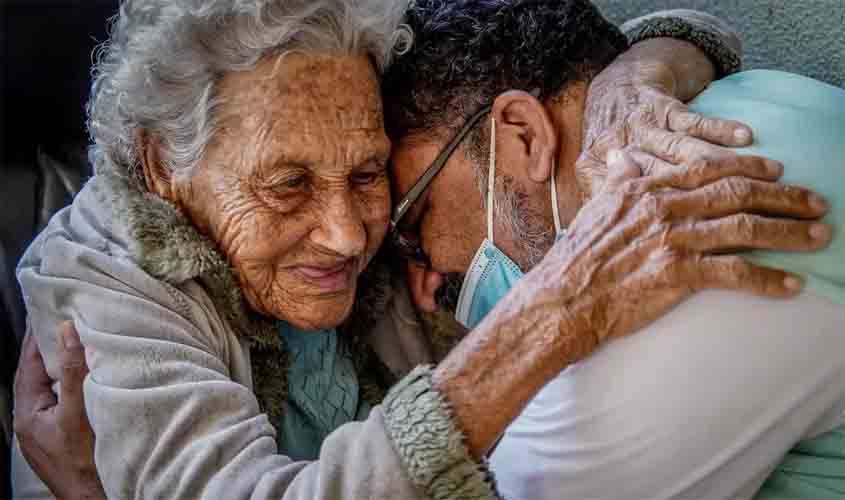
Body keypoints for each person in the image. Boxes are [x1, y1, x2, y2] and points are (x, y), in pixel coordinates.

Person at [9, 1, 830, 499]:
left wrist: (646, 60)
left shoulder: (372, 192)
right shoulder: (106, 288)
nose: (347, 234)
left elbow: (529, 69)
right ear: (161, 165)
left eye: (368, 176)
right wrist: (552, 315)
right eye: (287, 185)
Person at [378, 1, 845, 498]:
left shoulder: (684, 257)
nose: (425, 289)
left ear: (525, 134)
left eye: (416, 222)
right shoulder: (764, 97)